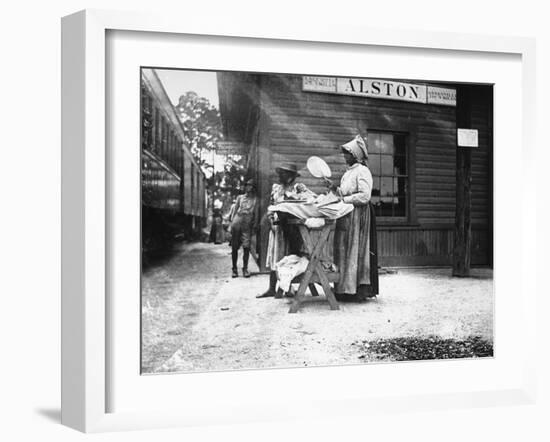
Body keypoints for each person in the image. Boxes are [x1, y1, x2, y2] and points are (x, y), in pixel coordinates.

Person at [329, 134, 379, 301]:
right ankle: (343, 288)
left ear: (355, 155)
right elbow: (344, 193)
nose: (345, 157)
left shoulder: (363, 171)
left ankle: (357, 290)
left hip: (359, 216)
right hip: (346, 215)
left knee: (356, 250)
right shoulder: (347, 174)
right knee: (343, 250)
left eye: (347, 154)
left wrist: (346, 199)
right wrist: (334, 189)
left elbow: (365, 196)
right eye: (344, 154)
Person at [256, 162, 314, 298]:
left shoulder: (298, 188)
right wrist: (271, 220)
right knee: (274, 256)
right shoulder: (276, 189)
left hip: (292, 228)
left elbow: (311, 199)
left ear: (292, 176)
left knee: (288, 257)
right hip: (277, 227)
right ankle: (271, 288)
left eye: (284, 174)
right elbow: (271, 206)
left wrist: (297, 196)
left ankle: (286, 288)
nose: (281, 176)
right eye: (280, 173)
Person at [230, 179, 259, 278]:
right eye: (247, 185)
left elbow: (256, 214)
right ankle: (234, 269)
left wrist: (255, 224)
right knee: (234, 246)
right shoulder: (240, 197)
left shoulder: (255, 200)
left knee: (246, 246)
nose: (248, 187)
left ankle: (245, 269)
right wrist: (232, 223)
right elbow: (234, 211)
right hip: (237, 220)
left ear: (253, 188)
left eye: (250, 186)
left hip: (247, 223)